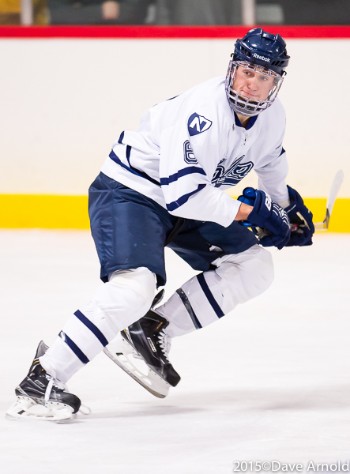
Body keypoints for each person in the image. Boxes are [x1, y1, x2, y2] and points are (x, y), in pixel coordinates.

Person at [7, 28, 315, 421]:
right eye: (246, 72)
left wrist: (286, 210)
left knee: (254, 267)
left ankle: (152, 328)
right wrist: (255, 213)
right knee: (136, 286)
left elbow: (271, 164)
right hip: (132, 192)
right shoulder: (204, 112)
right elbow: (184, 196)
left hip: (187, 202)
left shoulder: (273, 118)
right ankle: (42, 380)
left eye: (265, 76)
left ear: (277, 82)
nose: (252, 84)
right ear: (232, 68)